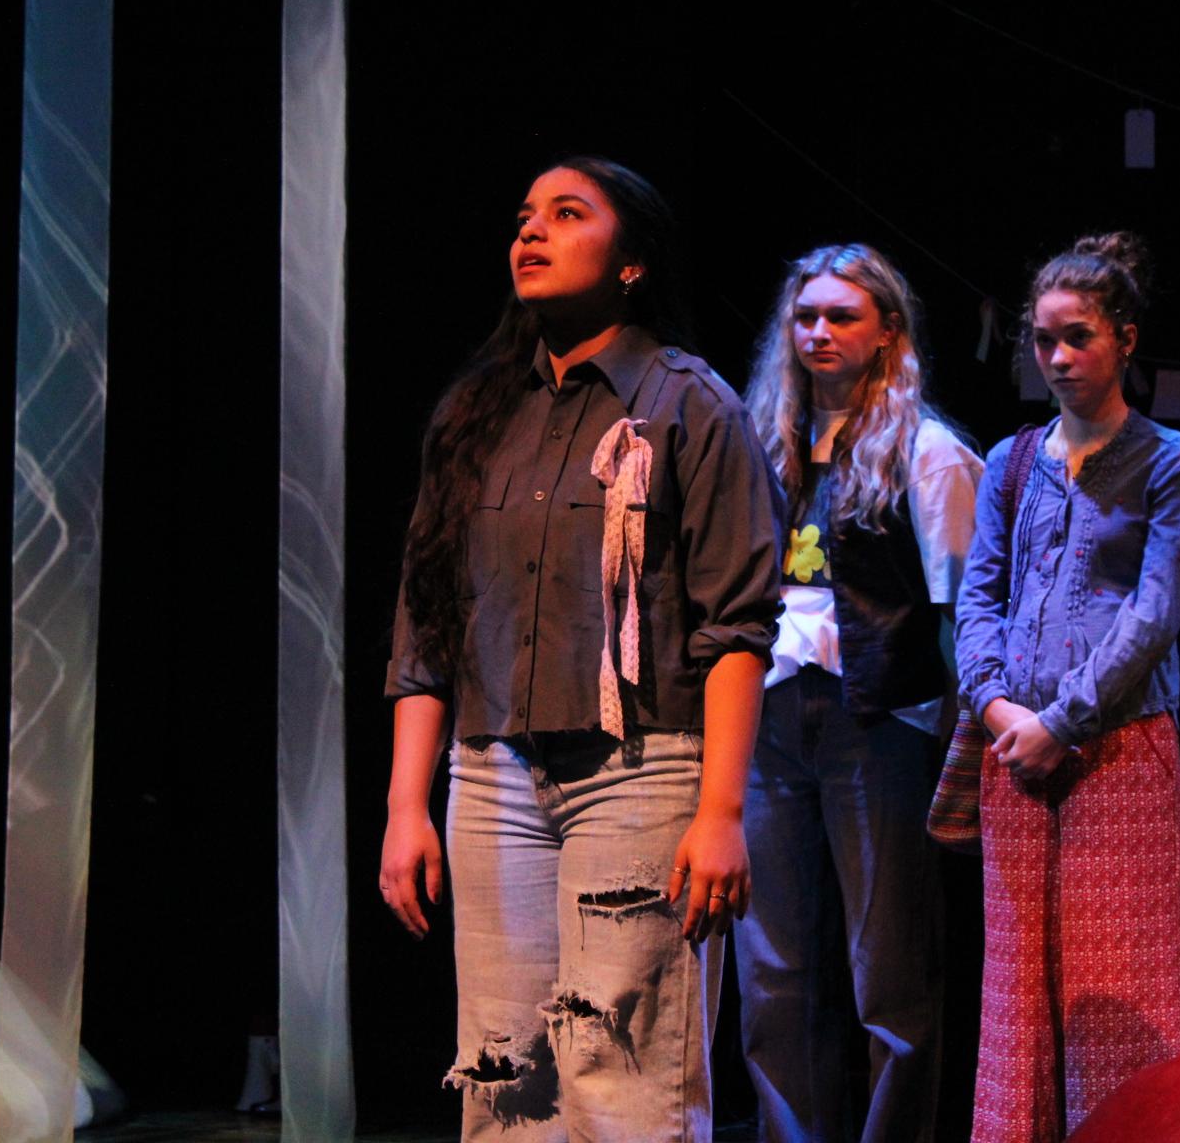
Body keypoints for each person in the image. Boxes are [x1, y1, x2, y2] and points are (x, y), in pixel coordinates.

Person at [378, 156, 784, 1141]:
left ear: (633, 261)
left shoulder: (690, 405)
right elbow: (426, 622)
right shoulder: (476, 413)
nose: (531, 231)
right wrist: (404, 806)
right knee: (506, 1079)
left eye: (566, 214)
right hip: (493, 778)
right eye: (525, 216)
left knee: (623, 1078)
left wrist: (722, 811)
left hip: (641, 772)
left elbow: (738, 625)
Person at [954, 233, 1180, 1140]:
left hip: (1120, 751)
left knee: (1119, 994)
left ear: (1125, 340)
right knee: (1016, 1000)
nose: (1057, 358)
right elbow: (978, 597)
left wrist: (1061, 721)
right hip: (1013, 751)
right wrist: (995, 705)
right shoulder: (1011, 460)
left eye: (1078, 338)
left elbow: (1153, 614)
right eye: (1043, 339)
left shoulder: (1170, 461)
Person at [736, 243, 982, 1142]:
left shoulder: (928, 451)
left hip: (877, 720)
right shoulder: (761, 439)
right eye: (805, 317)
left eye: (842, 316)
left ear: (886, 332)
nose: (819, 332)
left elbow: (963, 614)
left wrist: (960, 741)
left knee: (889, 970)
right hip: (768, 713)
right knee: (773, 970)